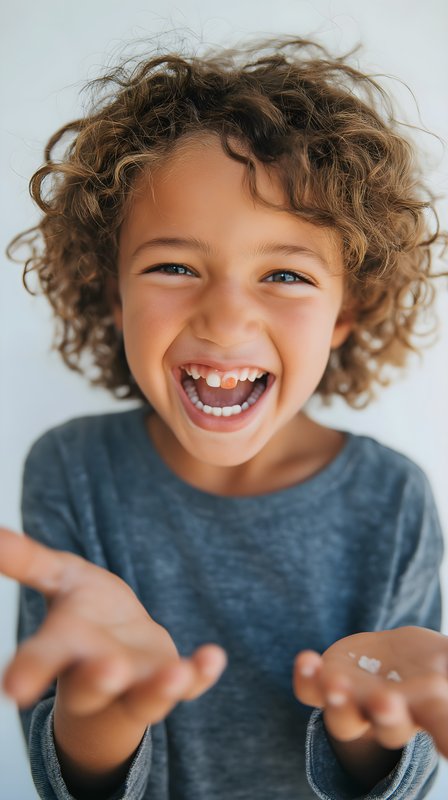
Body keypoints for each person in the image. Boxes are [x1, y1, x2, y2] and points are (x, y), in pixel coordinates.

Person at [1, 36, 448, 800]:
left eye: (285, 273)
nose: (226, 318)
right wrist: (102, 713)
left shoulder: (392, 498)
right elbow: (63, 777)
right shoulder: (73, 472)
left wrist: (370, 736)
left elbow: (403, 775)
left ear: (350, 309)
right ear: (110, 292)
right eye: (174, 266)